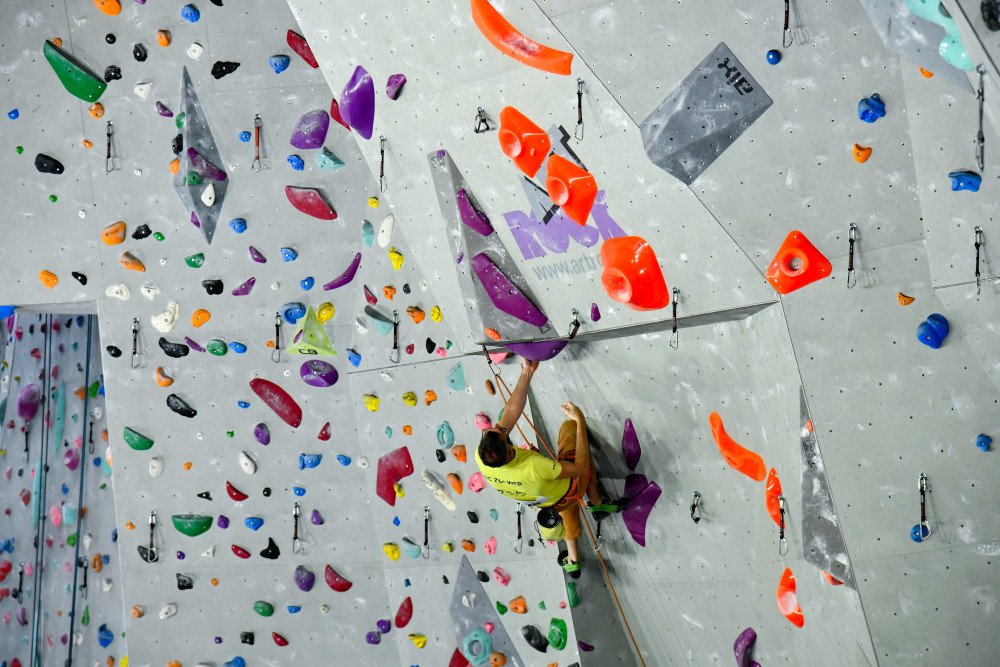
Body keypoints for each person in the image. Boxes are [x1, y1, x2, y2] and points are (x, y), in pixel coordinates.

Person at [475, 357, 602, 576]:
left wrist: (527, 372)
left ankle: (573, 558)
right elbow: (581, 467)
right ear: (509, 448)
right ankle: (597, 499)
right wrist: (579, 420)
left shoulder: (484, 458)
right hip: (571, 489)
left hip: (549, 504)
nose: (501, 427)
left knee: (565, 505)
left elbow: (510, 413)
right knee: (569, 431)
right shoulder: (534, 466)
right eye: (501, 431)